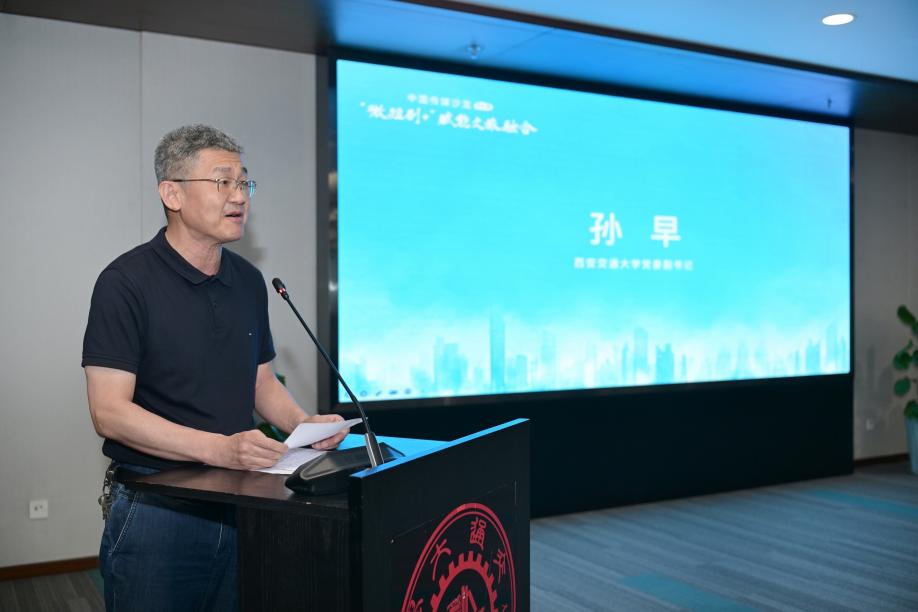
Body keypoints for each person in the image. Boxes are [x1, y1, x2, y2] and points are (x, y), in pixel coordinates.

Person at [82, 124, 347, 611]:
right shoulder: (125, 282)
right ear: (172, 194)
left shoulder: (248, 280)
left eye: (244, 183)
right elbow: (109, 413)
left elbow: (260, 381)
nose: (239, 196)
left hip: (243, 498)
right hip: (159, 504)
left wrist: (304, 426)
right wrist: (220, 449)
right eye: (223, 181)